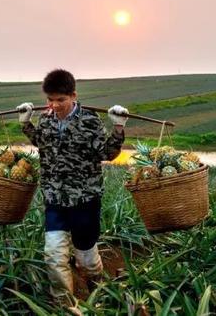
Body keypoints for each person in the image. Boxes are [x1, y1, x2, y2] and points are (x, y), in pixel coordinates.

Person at [16, 69, 128, 312]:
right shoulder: (45, 120)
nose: (54, 105)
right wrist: (26, 124)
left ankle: (98, 291)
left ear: (73, 96)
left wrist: (118, 129)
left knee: (86, 259)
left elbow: (107, 154)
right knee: (54, 256)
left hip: (85, 199)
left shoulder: (89, 121)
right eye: (50, 100)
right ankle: (64, 307)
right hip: (54, 198)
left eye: (60, 100)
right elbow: (41, 142)